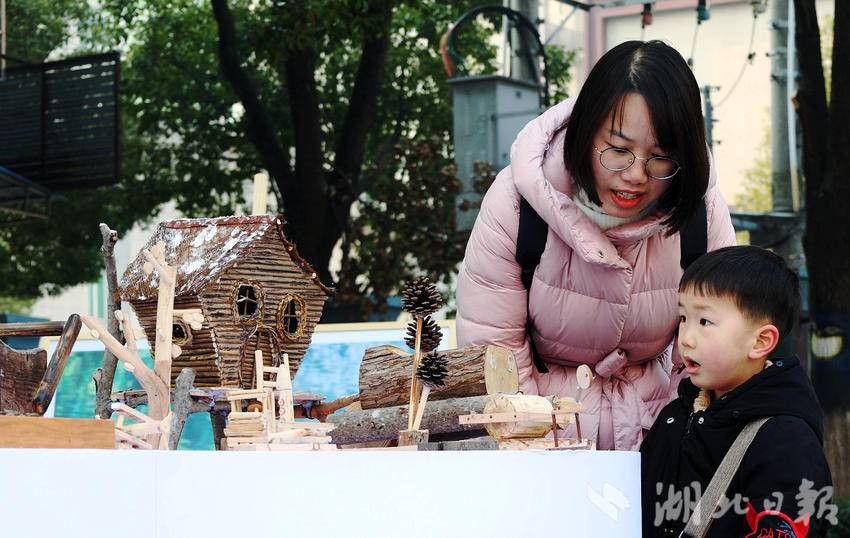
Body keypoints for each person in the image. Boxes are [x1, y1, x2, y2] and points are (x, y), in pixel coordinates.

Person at [456, 40, 736, 450]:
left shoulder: (701, 212)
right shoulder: (518, 202)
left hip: (659, 426)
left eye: (660, 157)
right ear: (586, 131)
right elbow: (494, 349)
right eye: (618, 150)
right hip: (543, 431)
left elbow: (712, 348)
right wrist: (535, 451)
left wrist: (680, 443)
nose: (636, 175)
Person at [641, 246, 833, 537]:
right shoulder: (676, 415)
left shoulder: (785, 441)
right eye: (683, 318)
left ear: (760, 342)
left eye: (705, 321)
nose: (686, 338)